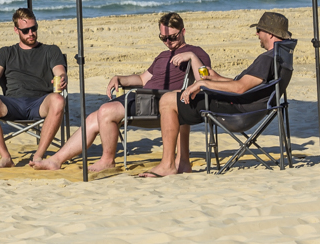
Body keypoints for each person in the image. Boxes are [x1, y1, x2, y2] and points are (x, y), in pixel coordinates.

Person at [32, 12, 211, 173]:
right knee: (92, 119)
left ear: (183, 31)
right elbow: (142, 79)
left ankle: (107, 160)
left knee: (106, 111)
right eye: (163, 38)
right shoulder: (162, 56)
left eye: (172, 37)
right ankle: (56, 160)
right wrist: (120, 78)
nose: (168, 42)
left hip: (159, 102)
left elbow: (204, 79)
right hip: (142, 96)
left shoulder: (196, 52)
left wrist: (191, 57)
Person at [143, 11, 297, 177]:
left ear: (270, 33)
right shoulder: (279, 57)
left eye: (259, 30)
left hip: (236, 111)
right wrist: (216, 78)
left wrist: (202, 83)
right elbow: (243, 85)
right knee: (177, 99)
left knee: (168, 100)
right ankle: (183, 162)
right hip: (247, 108)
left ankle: (168, 164)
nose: (257, 34)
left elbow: (239, 88)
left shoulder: (267, 59)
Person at [0, 9, 67, 168]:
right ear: (16, 30)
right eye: (26, 30)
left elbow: (60, 71)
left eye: (34, 28)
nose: (31, 33)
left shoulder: (51, 50)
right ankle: (5, 157)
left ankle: (38, 156)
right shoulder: (6, 52)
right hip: (11, 103)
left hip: (40, 103)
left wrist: (62, 79)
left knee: (58, 99)